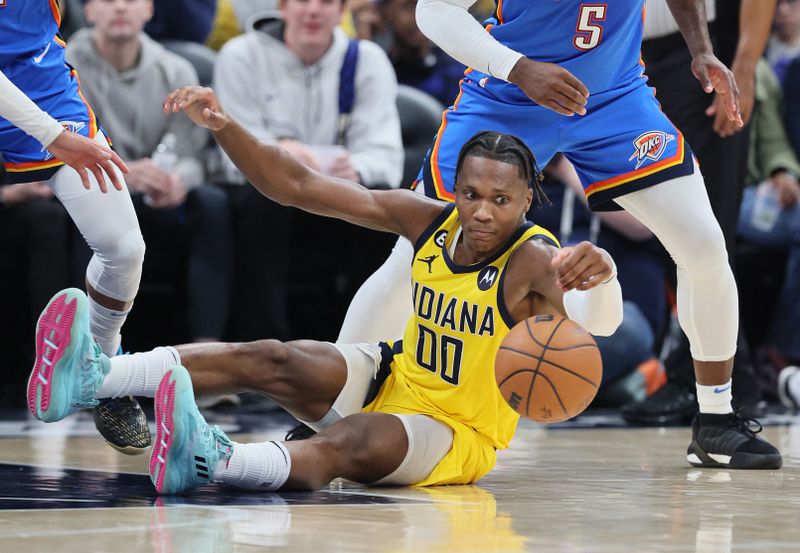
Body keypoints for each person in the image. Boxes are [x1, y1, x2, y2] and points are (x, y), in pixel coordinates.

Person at [28, 89, 626, 493]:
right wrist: (225, 126)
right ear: (456, 189)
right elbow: (296, 185)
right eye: (471, 194)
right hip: (396, 375)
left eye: (501, 200)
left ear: (528, 200)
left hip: (456, 432)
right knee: (269, 356)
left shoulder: (538, 262)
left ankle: (219, 459)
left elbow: (599, 326)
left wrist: (605, 276)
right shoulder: (428, 220)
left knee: (348, 440)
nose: (484, 213)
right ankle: (91, 379)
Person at [335, 0, 783, 468]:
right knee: (412, 258)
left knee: (705, 246)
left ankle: (716, 420)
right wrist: (520, 69)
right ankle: (331, 415)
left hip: (613, 98)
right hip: (508, 96)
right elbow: (433, 11)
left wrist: (701, 49)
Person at [1, 0, 150, 454]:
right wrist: (55, 137)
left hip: (39, 83)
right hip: (36, 116)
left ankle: (100, 368)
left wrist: (57, 133)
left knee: (124, 248)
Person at [213, 0, 403, 342]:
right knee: (262, 202)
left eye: (326, 2)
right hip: (264, 195)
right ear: (283, 6)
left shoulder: (367, 59)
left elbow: (386, 158)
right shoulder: (240, 55)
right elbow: (231, 155)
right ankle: (264, 347)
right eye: (302, 0)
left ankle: (362, 347)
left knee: (388, 206)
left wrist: (355, 166)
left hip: (338, 194)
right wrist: (283, 160)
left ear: (342, 10)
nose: (313, 10)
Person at [68, 0, 233, 346]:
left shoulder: (178, 70)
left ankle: (208, 348)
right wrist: (125, 174)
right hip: (97, 186)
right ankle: (85, 350)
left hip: (161, 194)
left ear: (150, 10)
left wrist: (179, 181)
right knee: (71, 206)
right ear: (87, 10)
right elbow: (64, 144)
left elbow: (195, 155)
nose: (120, 7)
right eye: (108, 0)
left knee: (214, 203)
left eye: (132, 0)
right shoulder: (66, 65)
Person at [378, 0, 466, 107]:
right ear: (386, 14)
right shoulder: (382, 72)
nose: (419, 16)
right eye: (409, 7)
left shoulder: (456, 68)